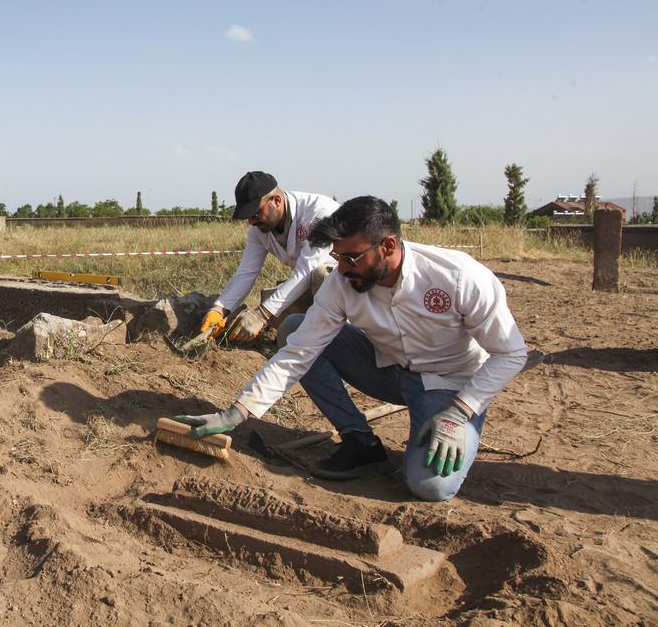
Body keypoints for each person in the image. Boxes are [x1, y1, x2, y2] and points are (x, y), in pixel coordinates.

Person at [174, 196, 530, 502]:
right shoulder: (342, 282)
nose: (340, 269)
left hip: (450, 385)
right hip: (387, 369)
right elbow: (299, 352)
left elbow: (511, 353)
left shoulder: (459, 277)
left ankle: (446, 424)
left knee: (430, 486)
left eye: (351, 258)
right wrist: (235, 413)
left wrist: (461, 411)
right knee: (295, 328)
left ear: (387, 247)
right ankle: (361, 443)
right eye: (337, 257)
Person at [199, 171, 339, 343]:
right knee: (272, 303)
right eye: (248, 217)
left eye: (255, 214)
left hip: (349, 289)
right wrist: (220, 308)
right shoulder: (259, 230)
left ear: (277, 201)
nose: (251, 222)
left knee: (320, 274)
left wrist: (262, 314)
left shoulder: (319, 213)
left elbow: (307, 270)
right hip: (312, 286)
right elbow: (246, 272)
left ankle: (340, 339)